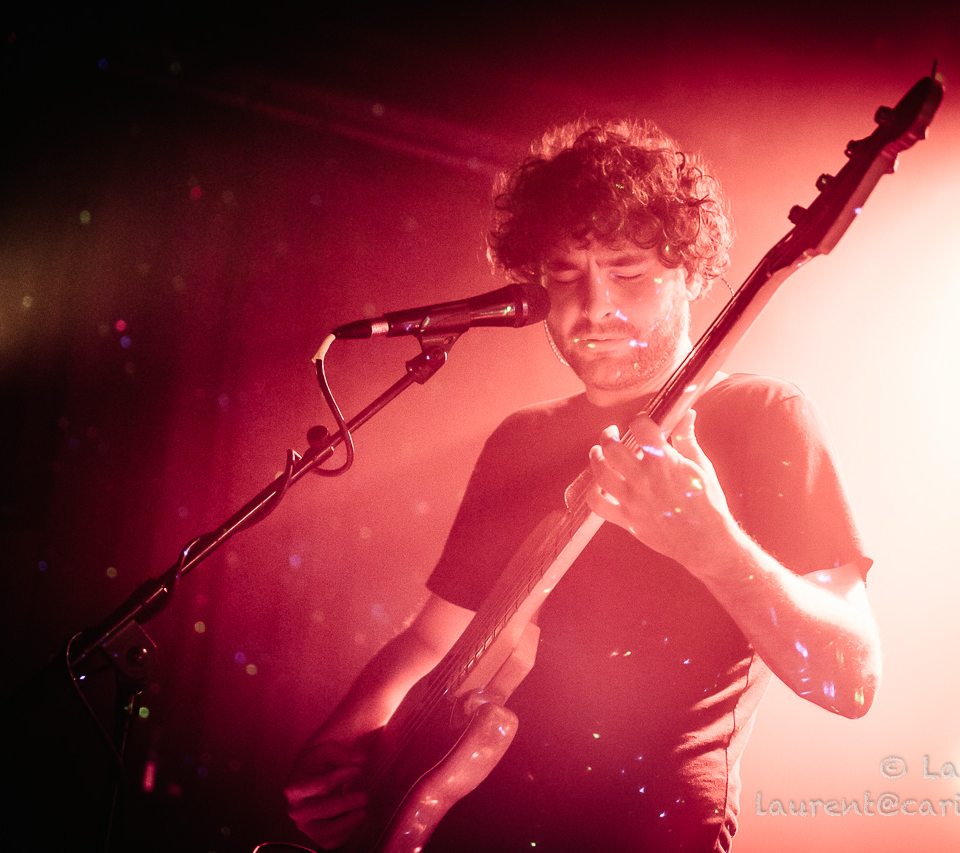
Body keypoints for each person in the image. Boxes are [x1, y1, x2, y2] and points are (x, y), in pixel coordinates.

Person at [284, 119, 880, 852]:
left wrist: (714, 546)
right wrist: (348, 740)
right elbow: (436, 637)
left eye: (628, 273)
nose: (594, 305)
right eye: (565, 274)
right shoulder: (521, 438)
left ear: (691, 275)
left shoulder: (761, 415)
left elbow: (851, 679)